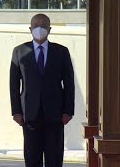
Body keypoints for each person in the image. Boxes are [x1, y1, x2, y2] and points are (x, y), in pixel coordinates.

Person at [9, 13, 75, 167]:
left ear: (50, 29)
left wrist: (68, 111)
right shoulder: (19, 51)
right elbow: (13, 85)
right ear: (30, 29)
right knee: (32, 158)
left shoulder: (61, 52)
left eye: (43, 26)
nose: (40, 29)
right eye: (36, 26)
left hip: (56, 115)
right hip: (29, 115)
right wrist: (16, 111)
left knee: (54, 158)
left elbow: (69, 84)